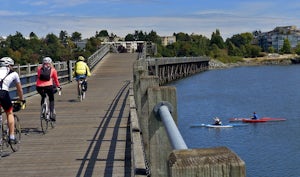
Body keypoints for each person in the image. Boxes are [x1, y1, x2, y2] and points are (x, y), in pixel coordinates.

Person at [0, 57, 24, 144]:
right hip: (3, 93)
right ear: (9, 65)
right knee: (9, 112)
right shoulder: (14, 73)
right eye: (12, 66)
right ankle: (12, 136)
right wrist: (21, 99)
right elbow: (19, 89)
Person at [36, 57, 61, 121]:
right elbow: (55, 79)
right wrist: (58, 86)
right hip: (49, 86)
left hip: (39, 86)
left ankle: (43, 111)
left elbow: (38, 77)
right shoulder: (53, 70)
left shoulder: (39, 69)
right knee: (51, 99)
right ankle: (52, 113)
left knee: (43, 96)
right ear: (50, 63)